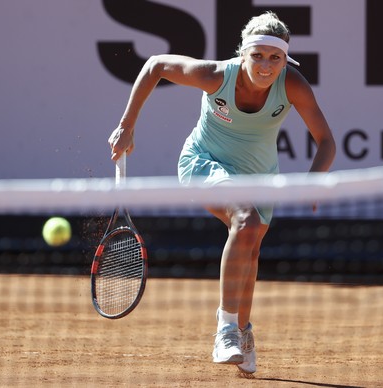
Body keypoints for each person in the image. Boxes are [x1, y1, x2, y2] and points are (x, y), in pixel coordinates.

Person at [108, 11, 336, 375]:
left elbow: (326, 142)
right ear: (242, 54)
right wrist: (127, 125)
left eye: (274, 58)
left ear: (284, 60)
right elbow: (155, 65)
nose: (265, 65)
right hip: (203, 162)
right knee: (244, 219)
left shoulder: (293, 85)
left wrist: (313, 181)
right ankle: (226, 328)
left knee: (251, 245)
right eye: (257, 55)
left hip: (261, 177)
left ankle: (243, 331)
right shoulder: (216, 76)